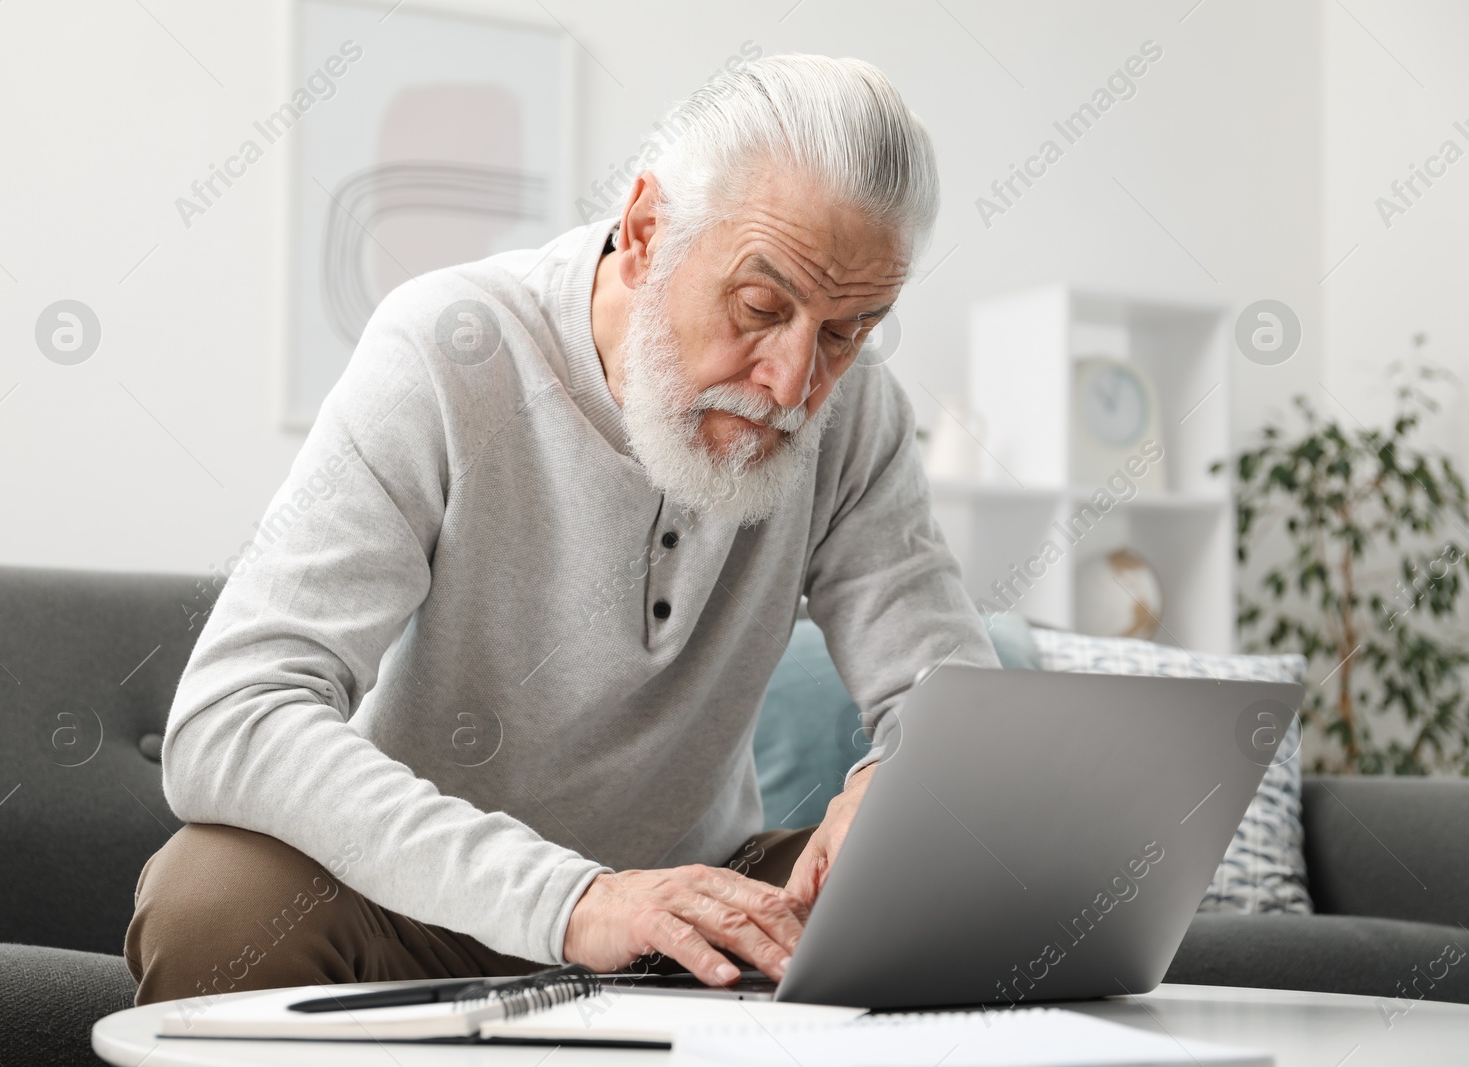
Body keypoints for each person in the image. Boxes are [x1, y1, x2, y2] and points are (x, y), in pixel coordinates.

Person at [124, 52, 998, 1009]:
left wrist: (899, 779)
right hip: (428, 904)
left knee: (973, 869)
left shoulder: (852, 412)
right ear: (646, 232)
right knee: (211, 900)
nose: (793, 384)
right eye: (760, 307)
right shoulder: (447, 351)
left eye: (847, 330)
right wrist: (575, 897)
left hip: (697, 912)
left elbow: (950, 703)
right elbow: (230, 714)